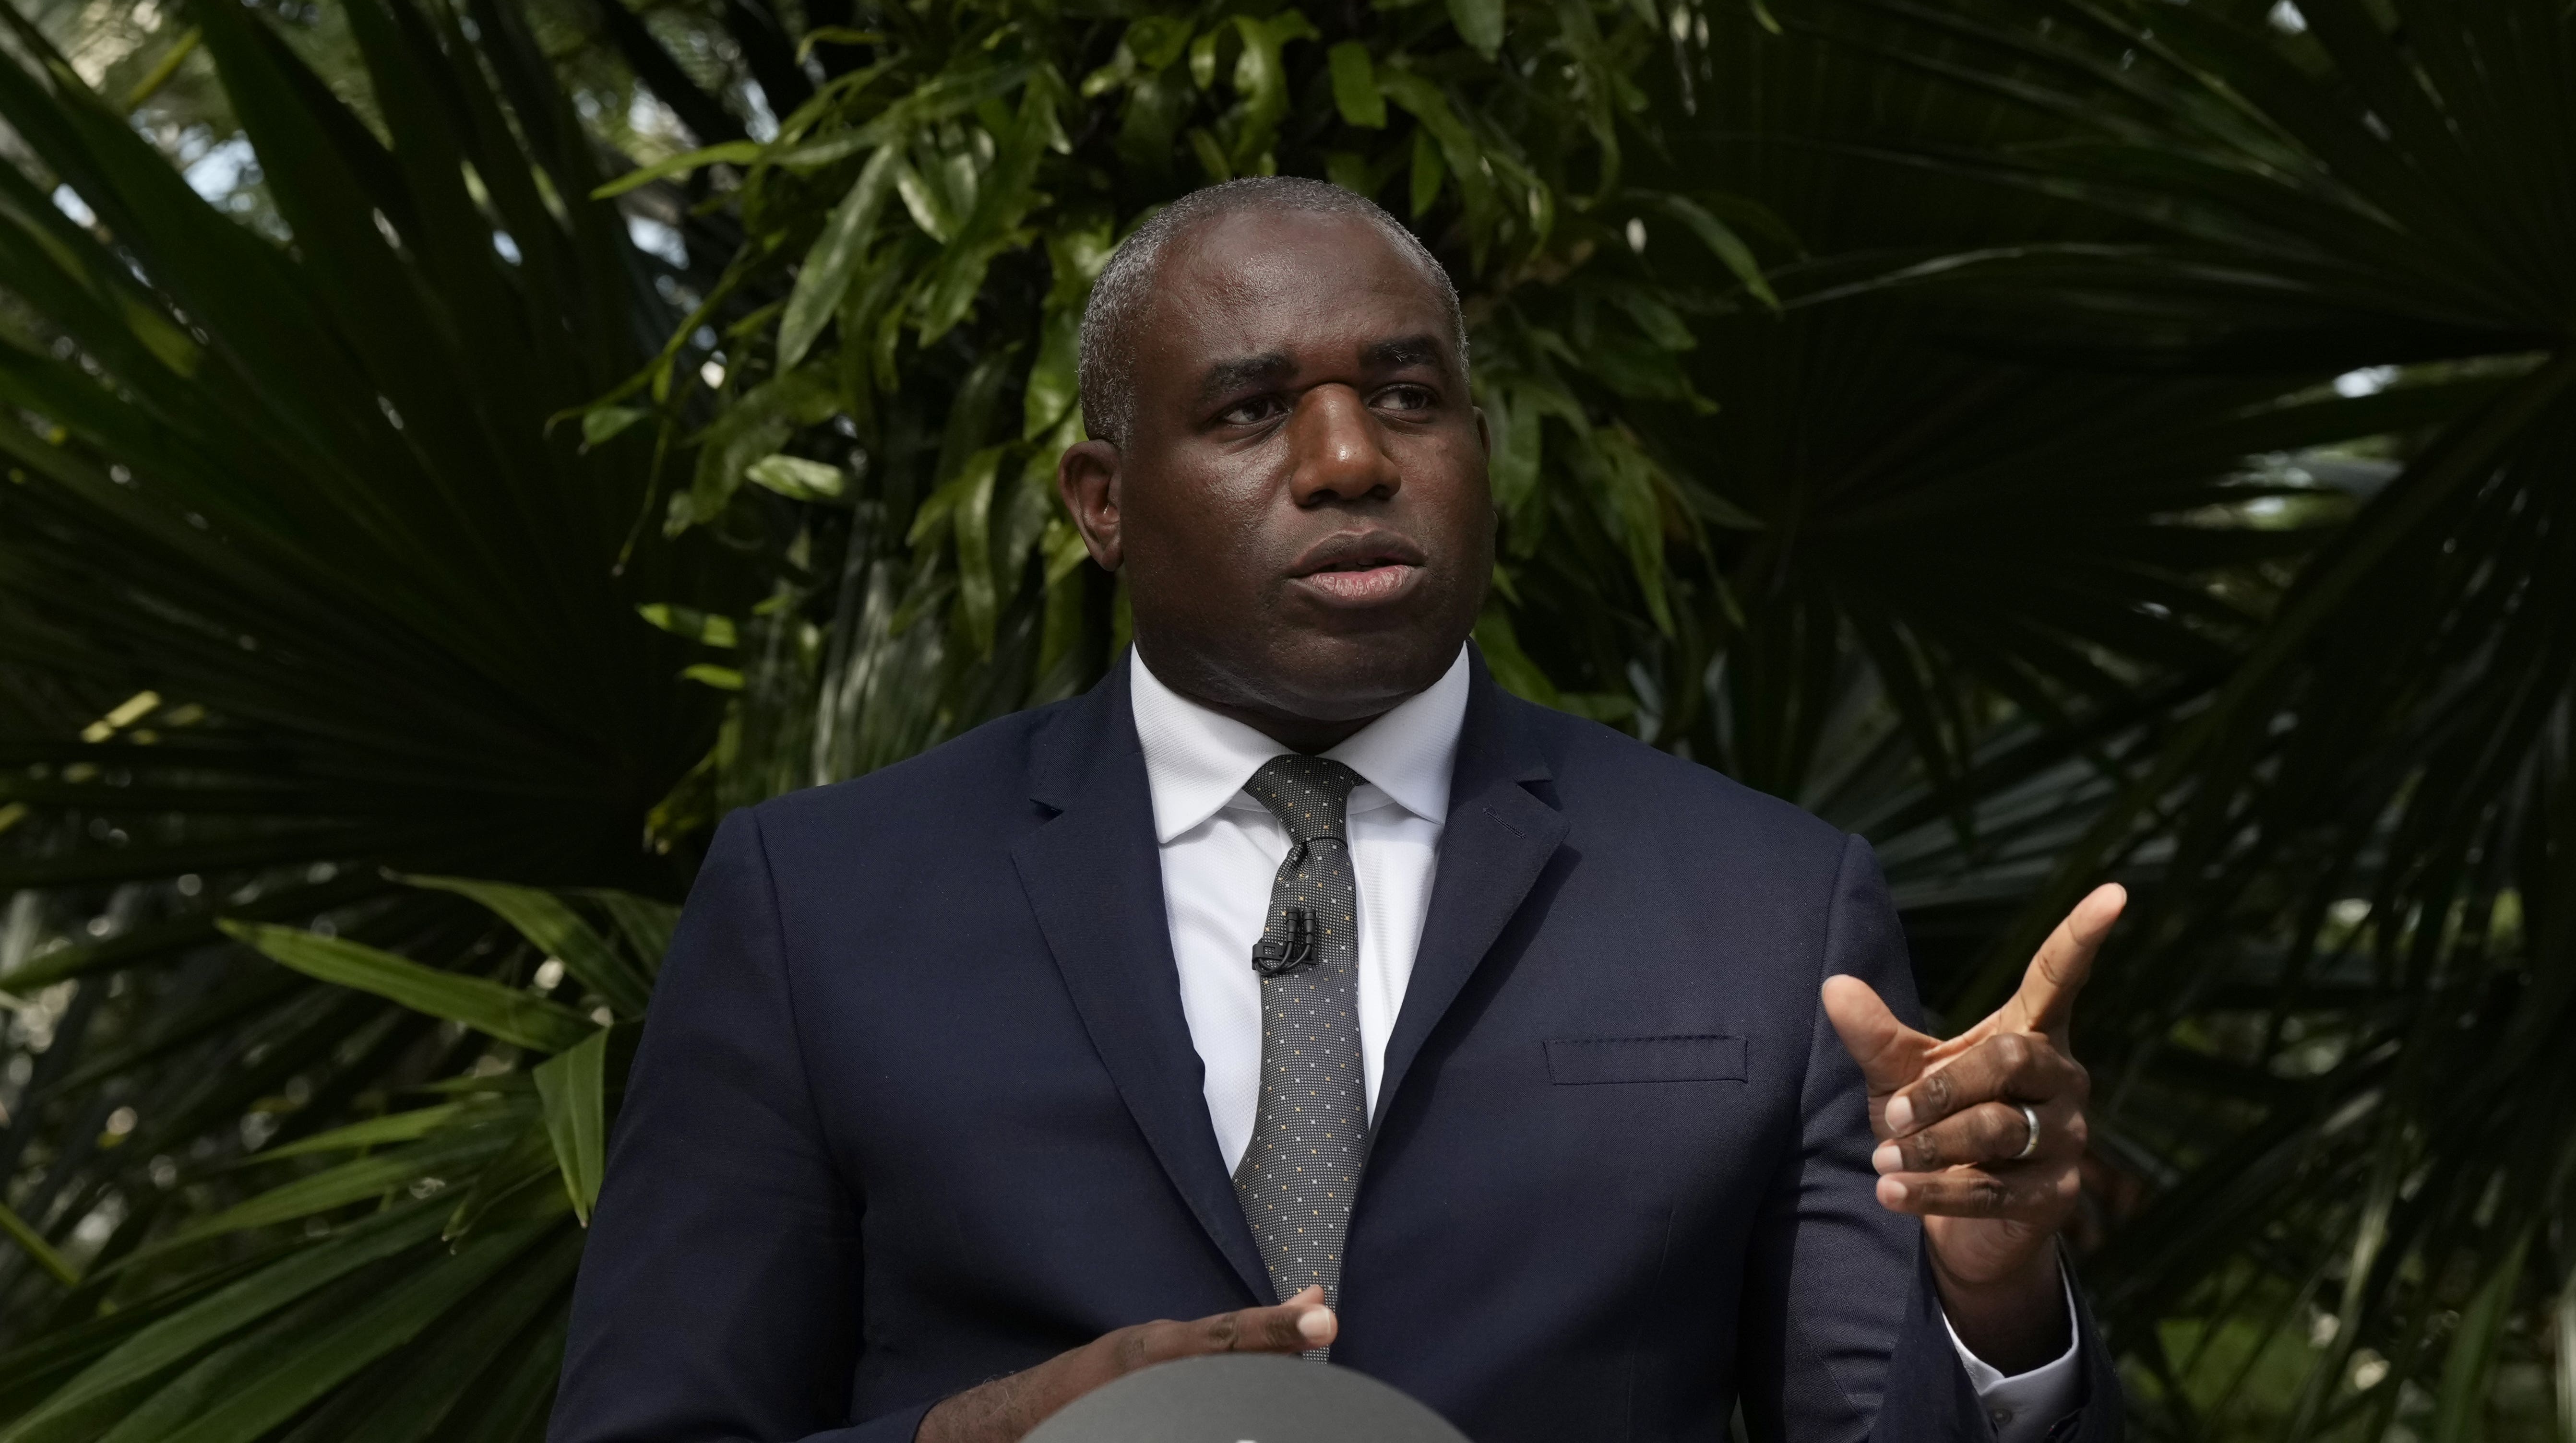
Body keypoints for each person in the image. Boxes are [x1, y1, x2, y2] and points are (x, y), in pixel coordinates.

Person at [550, 177, 2127, 1443]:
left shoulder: (1762, 905)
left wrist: (1991, 1301)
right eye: (1250, 411)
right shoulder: (822, 902)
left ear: (1479, 451)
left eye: (1409, 394)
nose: (1351, 458)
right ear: (1102, 500)